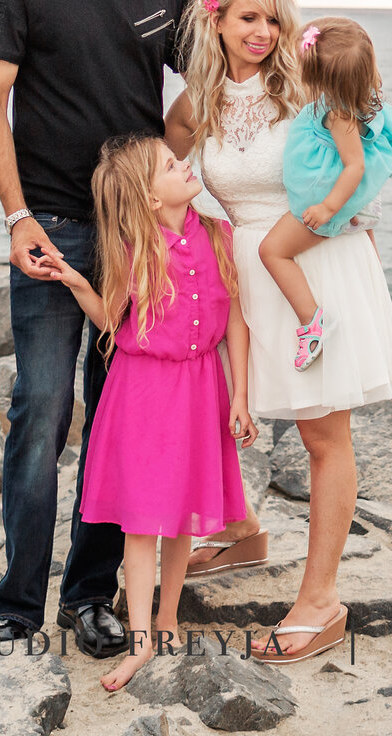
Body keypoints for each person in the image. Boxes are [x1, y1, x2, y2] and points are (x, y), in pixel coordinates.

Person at [0, 0, 194, 658]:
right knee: (42, 410)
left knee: (120, 418)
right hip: (53, 228)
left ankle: (90, 596)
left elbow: (208, 80)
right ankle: (16, 606)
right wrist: (15, 215)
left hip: (136, 235)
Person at [165, 0, 392, 665]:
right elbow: (158, 171)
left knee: (321, 436)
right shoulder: (197, 101)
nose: (263, 32)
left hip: (314, 263)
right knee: (219, 405)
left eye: (274, 19)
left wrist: (353, 207)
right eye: (248, 17)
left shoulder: (308, 84)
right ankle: (240, 527)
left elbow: (389, 143)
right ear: (216, 19)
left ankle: (320, 600)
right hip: (242, 264)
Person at [51, 135, 256, 693]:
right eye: (171, 164)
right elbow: (113, 323)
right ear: (146, 195)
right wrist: (75, 281)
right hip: (142, 393)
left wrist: (240, 394)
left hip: (201, 390)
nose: (185, 165)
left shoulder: (220, 235)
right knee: (143, 522)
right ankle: (141, 640)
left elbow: (236, 320)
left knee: (183, 509)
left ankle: (168, 620)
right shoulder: (129, 248)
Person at [257, 17, 392, 368]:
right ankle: (371, 311)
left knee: (272, 251)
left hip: (327, 204)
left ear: (321, 79)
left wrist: (330, 207)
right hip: (348, 202)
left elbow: (355, 166)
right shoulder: (366, 101)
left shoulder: (339, 114)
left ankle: (313, 321)